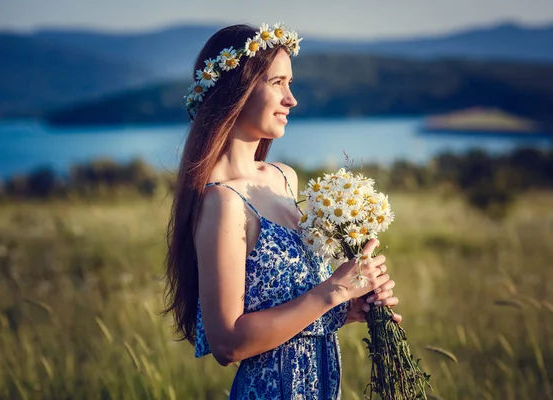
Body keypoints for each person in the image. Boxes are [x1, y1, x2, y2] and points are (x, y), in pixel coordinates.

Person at [164, 22, 402, 399]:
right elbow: (228, 343)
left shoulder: (284, 178)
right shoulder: (222, 202)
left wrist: (352, 304)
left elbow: (296, 307)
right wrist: (334, 290)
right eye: (277, 83)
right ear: (236, 90)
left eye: (290, 84)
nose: (291, 99)